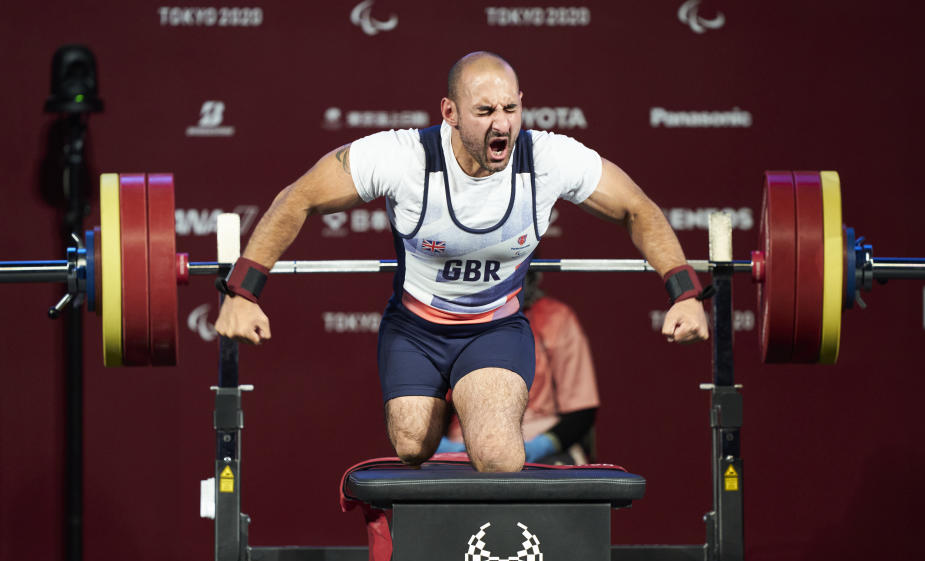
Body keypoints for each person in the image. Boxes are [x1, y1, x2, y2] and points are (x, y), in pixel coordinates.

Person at [214, 51, 710, 473]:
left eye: (511, 109)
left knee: (498, 457)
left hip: (493, 329)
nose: (502, 123)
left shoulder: (549, 160)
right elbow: (298, 198)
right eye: (485, 110)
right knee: (412, 444)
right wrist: (242, 291)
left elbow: (637, 207)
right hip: (415, 329)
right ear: (450, 112)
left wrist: (684, 292)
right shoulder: (403, 159)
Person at [438, 269, 599, 465]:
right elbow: (431, 403)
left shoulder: (556, 317)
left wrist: (542, 445)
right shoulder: (447, 320)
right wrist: (443, 446)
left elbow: (581, 410)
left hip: (537, 447)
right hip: (461, 450)